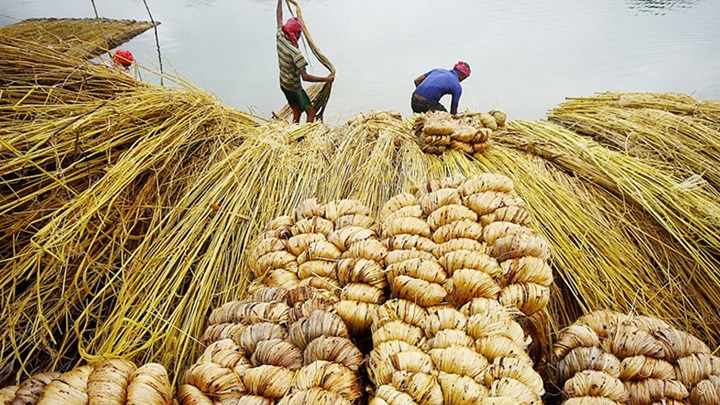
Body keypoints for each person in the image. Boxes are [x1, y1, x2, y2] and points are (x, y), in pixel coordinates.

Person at [276, 0, 334, 123]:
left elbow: (279, 17)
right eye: (299, 33)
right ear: (293, 32)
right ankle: (305, 137)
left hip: (283, 84)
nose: (300, 36)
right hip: (294, 88)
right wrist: (326, 79)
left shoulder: (280, 35)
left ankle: (294, 136)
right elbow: (305, 77)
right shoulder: (296, 54)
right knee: (311, 113)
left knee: (296, 112)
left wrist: (280, 1)